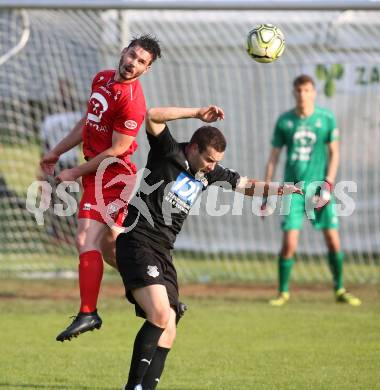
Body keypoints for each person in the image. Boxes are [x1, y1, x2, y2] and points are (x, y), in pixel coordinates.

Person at [115, 104, 301, 390]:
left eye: (216, 162)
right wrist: (196, 112)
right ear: (192, 147)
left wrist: (286, 189)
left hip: (163, 252)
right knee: (160, 315)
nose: (212, 166)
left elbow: (247, 186)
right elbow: (151, 115)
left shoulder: (209, 173)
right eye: (209, 159)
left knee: (170, 330)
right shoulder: (168, 151)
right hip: (137, 241)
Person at [40, 35, 162, 342]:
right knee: (110, 247)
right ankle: (159, 296)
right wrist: (55, 151)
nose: (133, 62)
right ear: (123, 52)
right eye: (132, 55)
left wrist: (75, 171)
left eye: (141, 61)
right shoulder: (103, 78)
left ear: (146, 69)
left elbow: (119, 149)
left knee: (85, 238)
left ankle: (88, 312)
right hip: (95, 173)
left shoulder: (133, 102)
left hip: (113, 175)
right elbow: (88, 122)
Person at [263, 74, 361, 306]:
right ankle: (283, 292)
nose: (302, 95)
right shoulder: (284, 120)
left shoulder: (326, 118)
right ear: (293, 93)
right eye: (298, 90)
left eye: (307, 90)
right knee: (289, 243)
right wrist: (266, 190)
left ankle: (339, 289)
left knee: (333, 241)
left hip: (319, 189)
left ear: (314, 92)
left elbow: (334, 152)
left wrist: (328, 181)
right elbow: (274, 158)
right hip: (293, 191)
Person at [38, 79, 82, 241]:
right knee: (70, 196)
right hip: (70, 163)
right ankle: (68, 230)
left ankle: (58, 230)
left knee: (56, 196)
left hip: (56, 163)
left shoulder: (50, 120)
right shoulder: (78, 118)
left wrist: (42, 168)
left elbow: (44, 146)